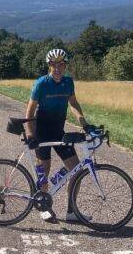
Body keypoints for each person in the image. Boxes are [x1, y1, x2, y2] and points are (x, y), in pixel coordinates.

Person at [24, 48, 88, 222]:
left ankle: (72, 212)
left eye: (61, 64)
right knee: (43, 174)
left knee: (76, 169)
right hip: (42, 132)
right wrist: (30, 134)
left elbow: (73, 103)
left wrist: (84, 122)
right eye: (54, 65)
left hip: (58, 131)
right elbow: (30, 110)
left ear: (65, 66)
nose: (57, 68)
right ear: (49, 66)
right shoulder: (41, 83)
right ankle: (44, 208)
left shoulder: (68, 82)